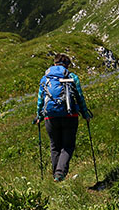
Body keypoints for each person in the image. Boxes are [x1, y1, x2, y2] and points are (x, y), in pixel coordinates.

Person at [35, 53, 92, 181]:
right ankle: (60, 174)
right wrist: (85, 114)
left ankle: (56, 176)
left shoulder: (45, 79)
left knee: (54, 146)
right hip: (69, 115)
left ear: (54, 63)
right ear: (67, 65)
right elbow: (79, 97)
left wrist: (39, 116)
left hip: (50, 118)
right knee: (68, 146)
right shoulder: (72, 77)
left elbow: (40, 100)